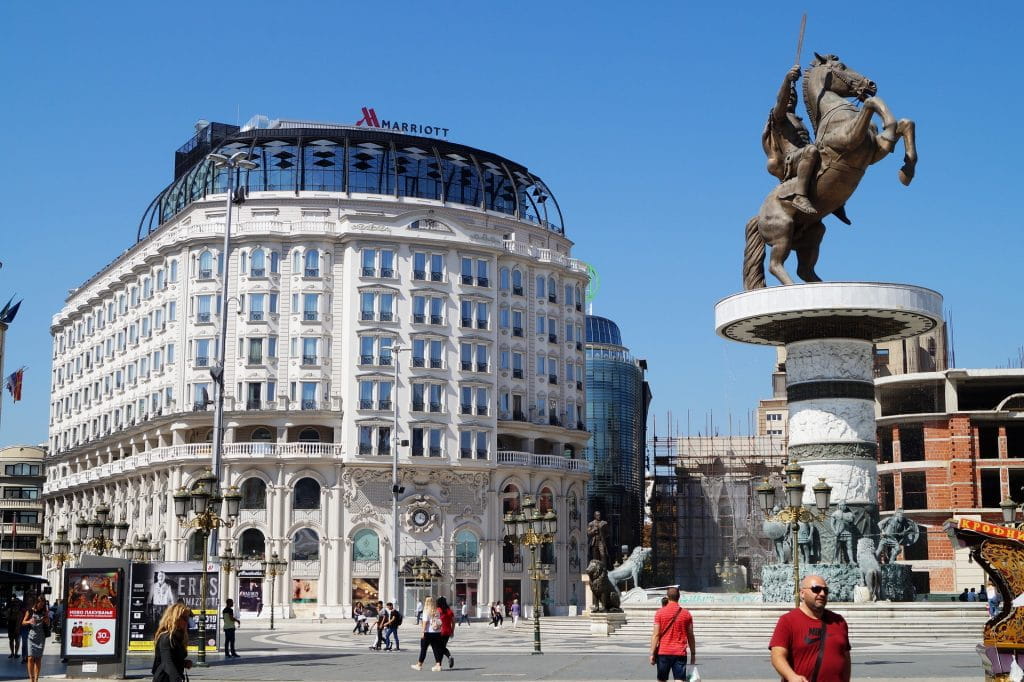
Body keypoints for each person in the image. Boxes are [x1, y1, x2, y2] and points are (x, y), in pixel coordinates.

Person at [762, 64, 822, 217]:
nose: (790, 98)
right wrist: (788, 81)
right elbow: (781, 102)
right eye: (788, 96)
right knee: (811, 150)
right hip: (791, 161)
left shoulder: (799, 120)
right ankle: (800, 196)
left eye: (793, 96)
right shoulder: (778, 117)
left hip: (804, 157)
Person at [770, 575, 851, 682]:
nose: (822, 594)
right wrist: (791, 676)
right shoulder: (788, 621)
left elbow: (846, 658)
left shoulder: (839, 621)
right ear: (802, 593)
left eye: (825, 590)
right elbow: (777, 656)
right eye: (816, 589)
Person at [649, 586, 696, 682]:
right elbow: (690, 635)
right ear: (679, 597)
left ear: (667, 597)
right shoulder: (686, 614)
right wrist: (693, 654)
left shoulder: (660, 613)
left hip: (663, 652)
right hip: (680, 652)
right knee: (679, 679)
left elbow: (656, 635)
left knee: (662, 679)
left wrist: (652, 653)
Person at [152, 603, 193, 682]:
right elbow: (167, 663)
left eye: (187, 618)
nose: (187, 621)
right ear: (175, 618)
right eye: (184, 618)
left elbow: (174, 659)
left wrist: (184, 663)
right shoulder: (166, 637)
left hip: (174, 677)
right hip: (165, 678)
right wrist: (177, 679)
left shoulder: (177, 636)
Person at [22, 596, 49, 682]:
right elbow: (23, 622)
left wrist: (47, 619)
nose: (42, 605)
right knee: (30, 658)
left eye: (43, 604)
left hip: (41, 637)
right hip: (31, 637)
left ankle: (36, 679)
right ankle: (31, 679)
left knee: (38, 658)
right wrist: (29, 621)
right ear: (36, 603)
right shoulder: (30, 611)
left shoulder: (44, 612)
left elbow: (48, 623)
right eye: (40, 603)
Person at [411, 596, 435, 671]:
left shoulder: (426, 611)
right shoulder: (435, 610)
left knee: (423, 649)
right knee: (436, 649)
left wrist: (423, 633)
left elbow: (424, 623)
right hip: (435, 632)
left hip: (427, 632)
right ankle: (438, 663)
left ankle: (419, 664)